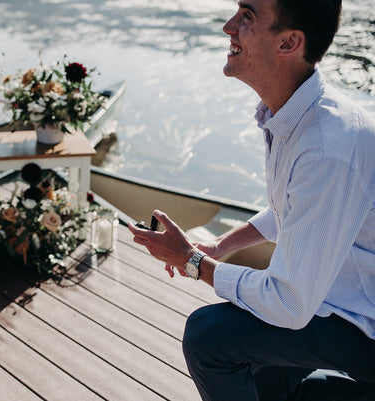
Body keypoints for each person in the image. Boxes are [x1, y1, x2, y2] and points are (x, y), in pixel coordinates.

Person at [129, 0, 375, 400]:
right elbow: (290, 210)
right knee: (263, 376)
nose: (228, 26)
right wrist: (219, 247)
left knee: (210, 337)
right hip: (333, 302)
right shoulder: (300, 116)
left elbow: (290, 303)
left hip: (364, 326)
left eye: (246, 16)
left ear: (290, 42)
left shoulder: (327, 147)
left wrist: (192, 262)